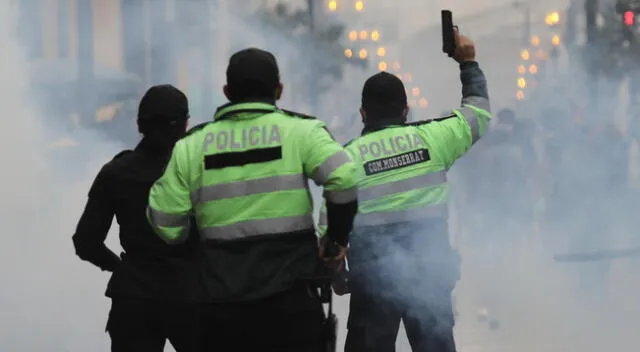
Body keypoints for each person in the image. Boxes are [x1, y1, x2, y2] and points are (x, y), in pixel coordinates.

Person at [146, 48, 359, 351]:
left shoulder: (190, 147)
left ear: (227, 92)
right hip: (293, 305)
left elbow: (166, 223)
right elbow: (344, 177)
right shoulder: (302, 132)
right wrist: (334, 243)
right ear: (279, 90)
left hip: (221, 309)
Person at [318, 30, 491, 352]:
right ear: (406, 110)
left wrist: (337, 275)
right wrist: (468, 63)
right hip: (430, 279)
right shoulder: (434, 138)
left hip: (371, 287)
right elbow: (479, 114)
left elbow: (329, 236)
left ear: (363, 114)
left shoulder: (345, 159)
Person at [72, 85, 200, 352]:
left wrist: (120, 269)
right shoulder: (198, 172)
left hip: (134, 298)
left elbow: (85, 242)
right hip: (190, 296)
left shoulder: (115, 172)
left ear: (140, 124)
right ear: (183, 124)